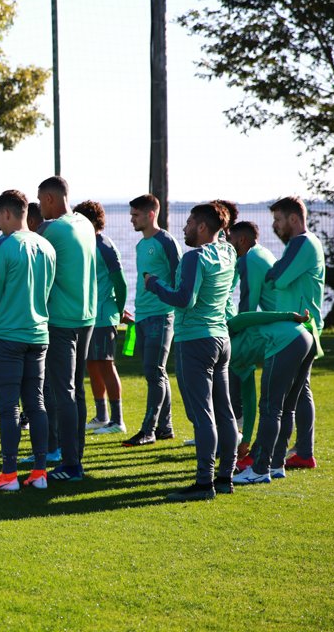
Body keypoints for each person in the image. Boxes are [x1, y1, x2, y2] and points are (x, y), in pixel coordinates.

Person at [145, 201, 238, 501]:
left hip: (195, 341)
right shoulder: (228, 252)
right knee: (224, 411)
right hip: (221, 339)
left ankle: (203, 483)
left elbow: (184, 300)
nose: (183, 228)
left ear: (201, 227)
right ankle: (226, 477)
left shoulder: (194, 257)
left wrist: (155, 284)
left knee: (203, 415)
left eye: (188, 222)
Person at [0, 190, 55, 491]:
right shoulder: (46, 246)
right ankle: (40, 473)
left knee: (8, 407)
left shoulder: (3, 245)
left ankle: (8, 475)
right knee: (37, 404)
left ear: (6, 214)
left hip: (7, 336)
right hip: (39, 334)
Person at [37, 176, 97, 482]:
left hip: (61, 321)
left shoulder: (50, 229)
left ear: (49, 199)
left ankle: (71, 463)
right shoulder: (85, 224)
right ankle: (76, 456)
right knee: (76, 389)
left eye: (39, 200)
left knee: (63, 392)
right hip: (86, 317)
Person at [264, 196, 324, 470]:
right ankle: (303, 451)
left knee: (285, 398)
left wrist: (274, 273)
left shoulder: (301, 243)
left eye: (278, 220)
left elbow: (279, 277)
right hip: (303, 327)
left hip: (298, 328)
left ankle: (276, 458)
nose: (275, 226)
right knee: (301, 392)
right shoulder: (302, 244)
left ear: (293, 219)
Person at [228, 309, 320, 485]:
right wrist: (246, 440)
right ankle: (276, 465)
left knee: (271, 409)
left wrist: (289, 315)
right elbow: (249, 400)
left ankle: (260, 470)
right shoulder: (236, 363)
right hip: (305, 338)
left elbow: (248, 317)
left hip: (287, 339)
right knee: (286, 408)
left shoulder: (226, 330)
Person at [121, 194, 182, 447]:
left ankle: (148, 430)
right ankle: (165, 427)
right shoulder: (139, 245)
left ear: (150, 214)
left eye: (136, 215)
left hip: (162, 314)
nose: (131, 219)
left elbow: (180, 277)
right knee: (157, 373)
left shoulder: (165, 241)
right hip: (143, 315)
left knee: (154, 372)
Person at [74, 200, 128, 435]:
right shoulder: (86, 243)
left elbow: (121, 283)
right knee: (91, 365)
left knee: (106, 365)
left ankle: (118, 421)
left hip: (104, 317)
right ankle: (102, 415)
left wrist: (118, 311)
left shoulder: (104, 245)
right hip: (88, 317)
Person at [228, 220, 278, 468]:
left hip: (277, 332)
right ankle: (247, 443)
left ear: (242, 240)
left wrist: (235, 330)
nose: (228, 244)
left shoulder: (249, 259)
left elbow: (247, 303)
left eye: (230, 239)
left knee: (262, 396)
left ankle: (248, 448)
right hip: (281, 327)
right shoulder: (262, 252)